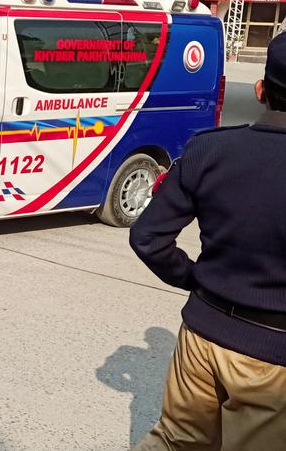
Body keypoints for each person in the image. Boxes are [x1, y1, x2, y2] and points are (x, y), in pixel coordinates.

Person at [129, 33, 286, 450]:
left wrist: (197, 279)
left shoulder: (209, 150)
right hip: (274, 355)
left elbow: (148, 237)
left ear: (260, 90)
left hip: (202, 333)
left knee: (176, 441)